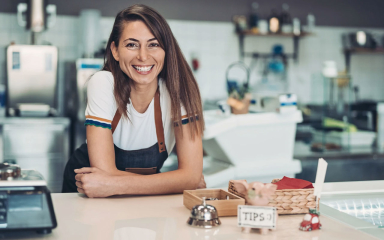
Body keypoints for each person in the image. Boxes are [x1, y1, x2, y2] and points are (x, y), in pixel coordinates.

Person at [62, 4, 205, 197]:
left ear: (166, 50)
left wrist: (112, 184)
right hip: (84, 193)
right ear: (115, 50)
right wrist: (175, 182)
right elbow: (188, 179)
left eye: (153, 44)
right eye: (131, 44)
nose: (143, 56)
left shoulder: (180, 90)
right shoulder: (102, 82)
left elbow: (191, 177)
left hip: (133, 196)